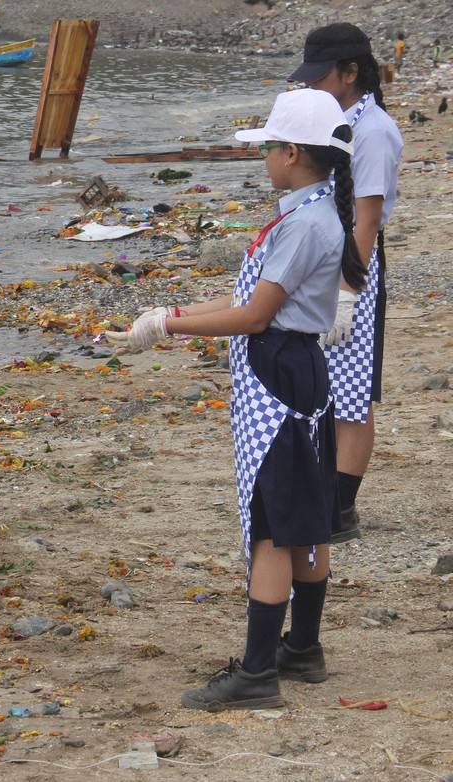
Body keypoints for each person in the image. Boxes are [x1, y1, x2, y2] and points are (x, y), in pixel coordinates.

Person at [107, 89, 364, 710]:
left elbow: (253, 316)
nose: (265, 158)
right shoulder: (307, 209)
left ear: (294, 153)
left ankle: (256, 673)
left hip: (282, 368)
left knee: (275, 525)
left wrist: (169, 329)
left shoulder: (305, 223)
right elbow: (243, 302)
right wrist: (169, 311)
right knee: (304, 512)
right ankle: (301, 648)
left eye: (270, 148)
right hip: (290, 364)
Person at [289, 23, 403, 542]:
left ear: (351, 72)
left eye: (321, 75)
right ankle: (323, 496)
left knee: (353, 393)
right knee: (324, 385)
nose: (313, 85)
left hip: (352, 266)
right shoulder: (338, 120)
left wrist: (348, 294)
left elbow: (368, 218)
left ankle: (341, 508)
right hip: (326, 262)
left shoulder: (373, 129)